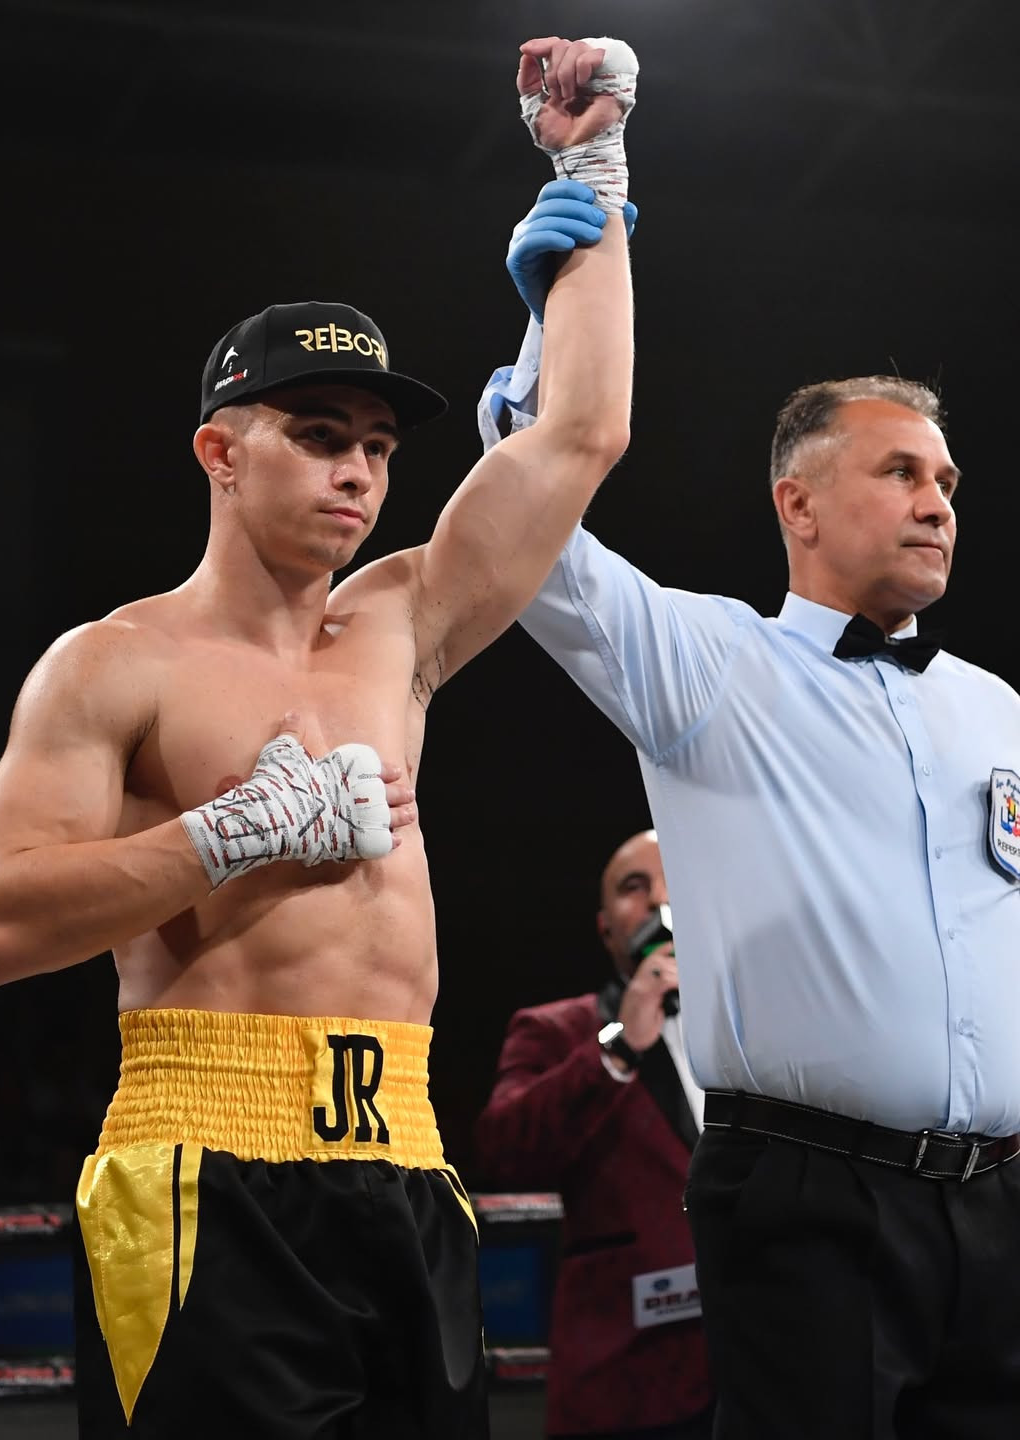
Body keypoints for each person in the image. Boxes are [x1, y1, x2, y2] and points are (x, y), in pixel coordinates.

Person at [0, 35, 637, 1440]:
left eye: (378, 446)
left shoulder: (400, 622)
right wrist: (224, 838)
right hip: (205, 1166)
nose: (359, 471)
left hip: (407, 1155)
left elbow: (579, 437)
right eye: (320, 433)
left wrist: (596, 171)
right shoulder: (114, 663)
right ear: (221, 450)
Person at [479, 244, 1020, 1434]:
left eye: (946, 480)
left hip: (998, 1202)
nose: (937, 503)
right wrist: (561, 312)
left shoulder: (996, 709)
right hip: (807, 1195)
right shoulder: (714, 666)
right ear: (798, 503)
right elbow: (533, 540)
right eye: (900, 472)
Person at [473, 829, 712, 1440]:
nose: (659, 900)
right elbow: (503, 1152)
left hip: (759, 1365)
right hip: (626, 1375)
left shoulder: (753, 1028)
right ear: (606, 929)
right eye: (635, 887)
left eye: (673, 880)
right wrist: (617, 1049)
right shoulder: (557, 1030)